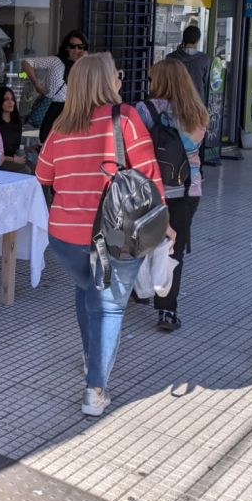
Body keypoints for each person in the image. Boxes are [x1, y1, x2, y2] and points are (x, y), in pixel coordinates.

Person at [35, 53, 166, 417]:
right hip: (114, 236)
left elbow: (43, 175)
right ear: (107, 81)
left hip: (65, 237)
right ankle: (95, 389)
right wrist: (164, 222)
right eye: (117, 73)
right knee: (108, 306)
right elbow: (149, 174)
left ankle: (91, 357)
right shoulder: (124, 118)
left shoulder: (61, 124)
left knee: (86, 289)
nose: (120, 79)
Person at [137, 58, 209, 331]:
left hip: (151, 188)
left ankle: (140, 289)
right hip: (188, 189)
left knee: (141, 240)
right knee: (174, 249)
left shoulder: (145, 110)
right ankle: (167, 311)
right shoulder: (198, 112)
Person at [21, 31, 88, 143]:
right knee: (47, 140)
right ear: (67, 47)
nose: (76, 50)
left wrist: (85, 61)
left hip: (73, 111)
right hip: (53, 108)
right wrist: (36, 84)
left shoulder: (85, 67)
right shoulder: (56, 61)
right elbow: (27, 63)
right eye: (72, 46)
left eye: (80, 47)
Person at [0, 86, 29, 172]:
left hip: (15, 157)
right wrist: (12, 159)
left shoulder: (16, 121)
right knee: (25, 170)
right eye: (6, 99)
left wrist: (28, 149)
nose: (10, 102)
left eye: (12, 99)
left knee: (38, 168)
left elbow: (15, 147)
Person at [167, 25, 211, 104]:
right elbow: (206, 80)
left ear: (184, 38)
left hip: (175, 102)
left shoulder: (170, 58)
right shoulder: (204, 59)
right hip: (196, 103)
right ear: (197, 41)